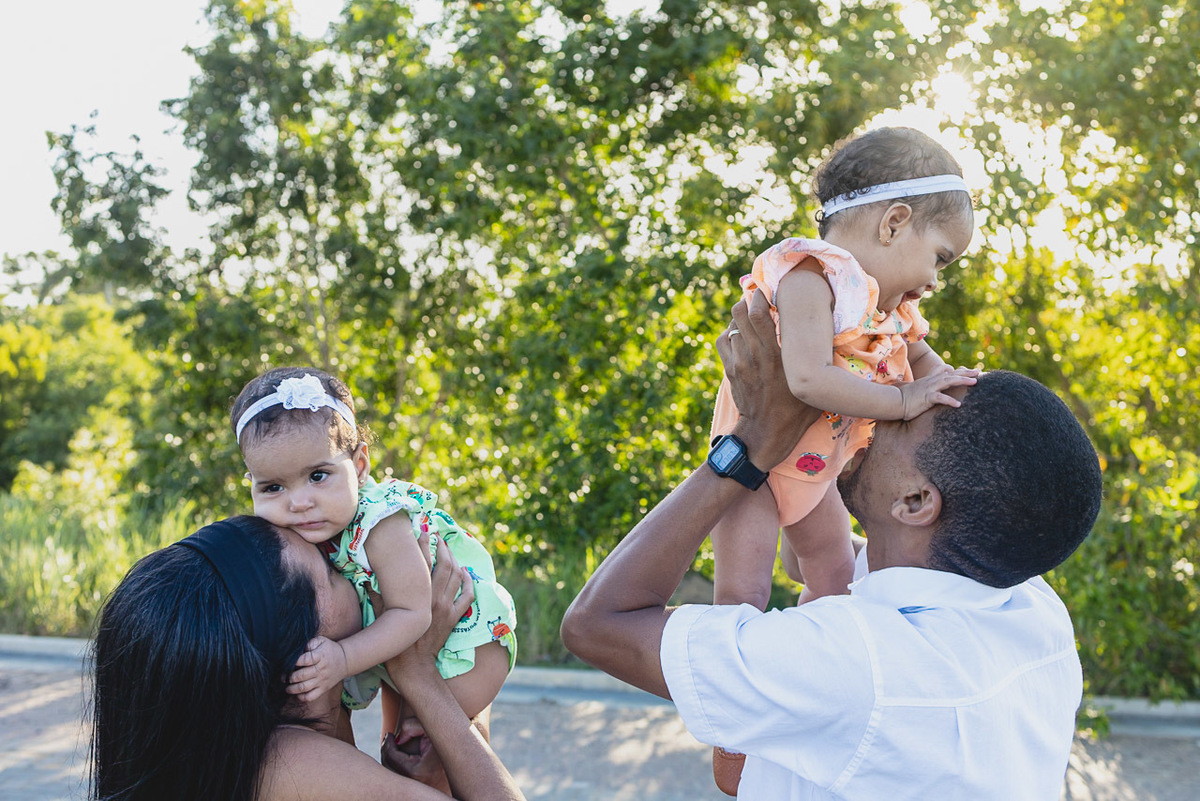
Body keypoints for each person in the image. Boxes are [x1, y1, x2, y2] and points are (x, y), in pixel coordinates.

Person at [562, 290, 1103, 800]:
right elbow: (808, 560)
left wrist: (748, 444)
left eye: (906, 415)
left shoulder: (856, 665)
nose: (881, 406)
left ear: (916, 503)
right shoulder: (1030, 609)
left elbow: (597, 624)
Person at [708, 127, 978, 612]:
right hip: (755, 469)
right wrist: (902, 401)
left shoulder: (888, 310)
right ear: (894, 223)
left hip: (816, 472)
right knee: (742, 598)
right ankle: (737, 674)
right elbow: (807, 378)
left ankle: (819, 665)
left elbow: (921, 361)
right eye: (940, 258)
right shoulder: (810, 278)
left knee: (837, 579)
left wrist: (959, 390)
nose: (936, 281)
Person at [90, 515, 526, 801]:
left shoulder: (242, 744)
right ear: (300, 659)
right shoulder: (291, 762)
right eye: (332, 572)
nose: (355, 572)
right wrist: (419, 671)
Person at [229, 367, 517, 738]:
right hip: (402, 660)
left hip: (466, 652)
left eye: (317, 475)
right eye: (272, 487)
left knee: (432, 756)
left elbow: (413, 613)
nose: (299, 502)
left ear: (360, 465)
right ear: (252, 484)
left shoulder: (380, 523)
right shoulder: (307, 529)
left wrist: (344, 659)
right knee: (397, 751)